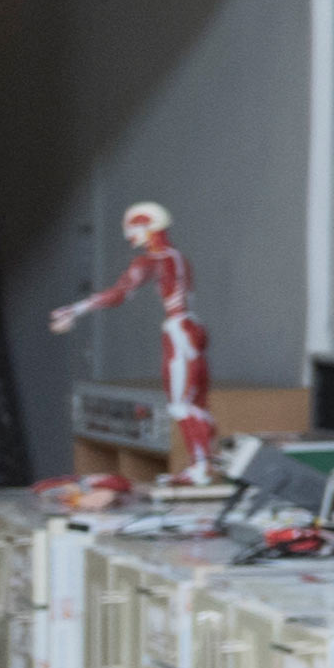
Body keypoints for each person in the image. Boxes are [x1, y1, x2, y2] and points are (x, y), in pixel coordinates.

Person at [49, 201, 211, 483]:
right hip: (191, 327)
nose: (130, 237)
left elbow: (120, 293)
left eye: (134, 229)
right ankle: (203, 463)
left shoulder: (153, 260)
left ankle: (201, 467)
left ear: (150, 227)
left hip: (179, 330)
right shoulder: (177, 258)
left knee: (181, 404)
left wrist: (76, 309)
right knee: (193, 402)